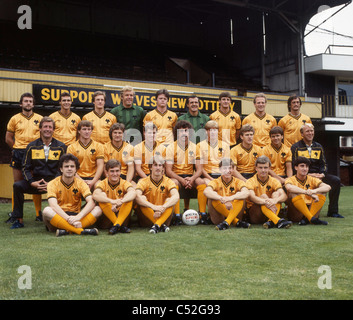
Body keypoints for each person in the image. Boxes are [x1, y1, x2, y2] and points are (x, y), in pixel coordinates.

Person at [9, 117, 67, 228]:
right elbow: (25, 167)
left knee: (67, 185)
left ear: (54, 130)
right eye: (45, 126)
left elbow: (62, 168)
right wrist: (31, 182)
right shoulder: (31, 146)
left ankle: (63, 218)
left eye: (50, 127)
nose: (48, 129)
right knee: (17, 185)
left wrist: (52, 183)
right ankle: (18, 220)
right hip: (36, 182)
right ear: (40, 129)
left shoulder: (61, 147)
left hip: (54, 183)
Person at [291, 123, 343, 218]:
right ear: (302, 134)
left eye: (312, 131)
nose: (310, 133)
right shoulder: (295, 147)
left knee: (336, 180)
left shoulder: (318, 146)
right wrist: (309, 175)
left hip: (319, 176)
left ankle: (333, 211)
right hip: (303, 176)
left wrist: (322, 174)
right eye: (307, 131)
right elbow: (294, 165)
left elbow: (324, 163)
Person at [42, 153, 101, 236]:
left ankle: (67, 230)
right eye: (66, 166)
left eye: (72, 166)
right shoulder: (52, 183)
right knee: (46, 211)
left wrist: (78, 217)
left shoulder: (81, 183)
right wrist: (68, 219)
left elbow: (91, 202)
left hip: (76, 216)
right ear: (61, 169)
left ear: (76, 169)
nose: (69, 169)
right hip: (59, 215)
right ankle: (79, 230)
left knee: (98, 209)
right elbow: (53, 205)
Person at [5, 92, 43, 221]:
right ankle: (15, 215)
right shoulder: (15, 118)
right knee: (17, 184)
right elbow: (8, 138)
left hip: (35, 153)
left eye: (30, 101)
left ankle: (39, 214)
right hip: (19, 153)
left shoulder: (40, 118)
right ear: (21, 103)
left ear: (33, 104)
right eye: (26, 101)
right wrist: (15, 148)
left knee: (35, 181)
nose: (28, 103)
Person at [165, 120, 203, 224]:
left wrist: (192, 179)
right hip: (176, 176)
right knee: (173, 183)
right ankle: (177, 215)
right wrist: (181, 180)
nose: (184, 133)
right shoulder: (171, 147)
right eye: (181, 131)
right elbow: (168, 170)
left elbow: (199, 170)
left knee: (201, 182)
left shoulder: (196, 147)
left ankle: (202, 214)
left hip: (190, 176)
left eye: (186, 131)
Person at [196, 120, 230, 223]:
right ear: (206, 132)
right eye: (210, 130)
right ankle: (202, 214)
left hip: (221, 175)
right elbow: (200, 168)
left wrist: (219, 179)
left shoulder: (225, 145)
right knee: (200, 181)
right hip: (206, 175)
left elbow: (227, 166)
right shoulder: (200, 145)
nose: (213, 132)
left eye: (215, 130)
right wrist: (210, 179)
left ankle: (229, 212)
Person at [135, 156, 179, 234]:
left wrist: (163, 207)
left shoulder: (168, 181)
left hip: (163, 214)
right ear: (150, 167)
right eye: (155, 165)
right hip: (147, 218)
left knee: (170, 200)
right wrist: (153, 207)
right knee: (141, 198)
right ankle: (160, 225)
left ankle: (158, 224)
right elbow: (137, 197)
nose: (158, 168)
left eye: (160, 165)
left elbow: (176, 196)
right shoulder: (143, 181)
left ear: (163, 168)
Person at [203, 158, 250, 230]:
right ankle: (235, 221)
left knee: (241, 196)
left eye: (230, 168)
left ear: (233, 169)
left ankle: (227, 222)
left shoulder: (238, 181)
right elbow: (206, 191)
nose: (227, 171)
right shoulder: (216, 181)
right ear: (220, 169)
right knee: (212, 196)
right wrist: (221, 199)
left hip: (235, 211)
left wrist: (231, 198)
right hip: (219, 217)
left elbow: (246, 192)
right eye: (225, 168)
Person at [246, 156, 292, 229]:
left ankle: (271, 221)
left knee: (276, 194)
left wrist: (275, 200)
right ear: (256, 168)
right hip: (255, 214)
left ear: (269, 168)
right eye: (260, 168)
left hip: (270, 211)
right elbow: (252, 197)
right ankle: (277, 220)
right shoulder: (250, 181)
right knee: (263, 196)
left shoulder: (274, 180)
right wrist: (266, 201)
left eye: (265, 167)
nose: (263, 170)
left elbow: (284, 196)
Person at [93, 159, 136, 235]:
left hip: (121, 215)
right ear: (107, 172)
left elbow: (133, 193)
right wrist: (112, 202)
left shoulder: (124, 183)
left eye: (117, 171)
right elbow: (95, 195)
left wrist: (121, 202)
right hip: (106, 219)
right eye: (112, 171)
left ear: (120, 171)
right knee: (101, 196)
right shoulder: (103, 183)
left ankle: (117, 225)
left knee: (128, 197)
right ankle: (119, 225)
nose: (115, 174)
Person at [285, 157, 331, 225]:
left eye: (307, 166)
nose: (305, 169)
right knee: (293, 193)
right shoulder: (290, 179)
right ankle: (311, 218)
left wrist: (314, 191)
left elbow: (328, 187)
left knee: (323, 191)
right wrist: (307, 192)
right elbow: (289, 188)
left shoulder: (312, 179)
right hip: (297, 212)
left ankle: (308, 219)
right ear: (296, 167)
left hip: (311, 208)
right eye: (302, 166)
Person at [67, 120, 104, 191]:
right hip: (77, 177)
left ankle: (94, 202)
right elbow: (70, 167)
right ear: (79, 131)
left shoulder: (99, 146)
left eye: (89, 129)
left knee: (99, 187)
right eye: (84, 129)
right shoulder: (71, 147)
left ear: (91, 131)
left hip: (94, 178)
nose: (87, 131)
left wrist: (93, 181)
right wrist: (81, 181)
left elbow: (100, 165)